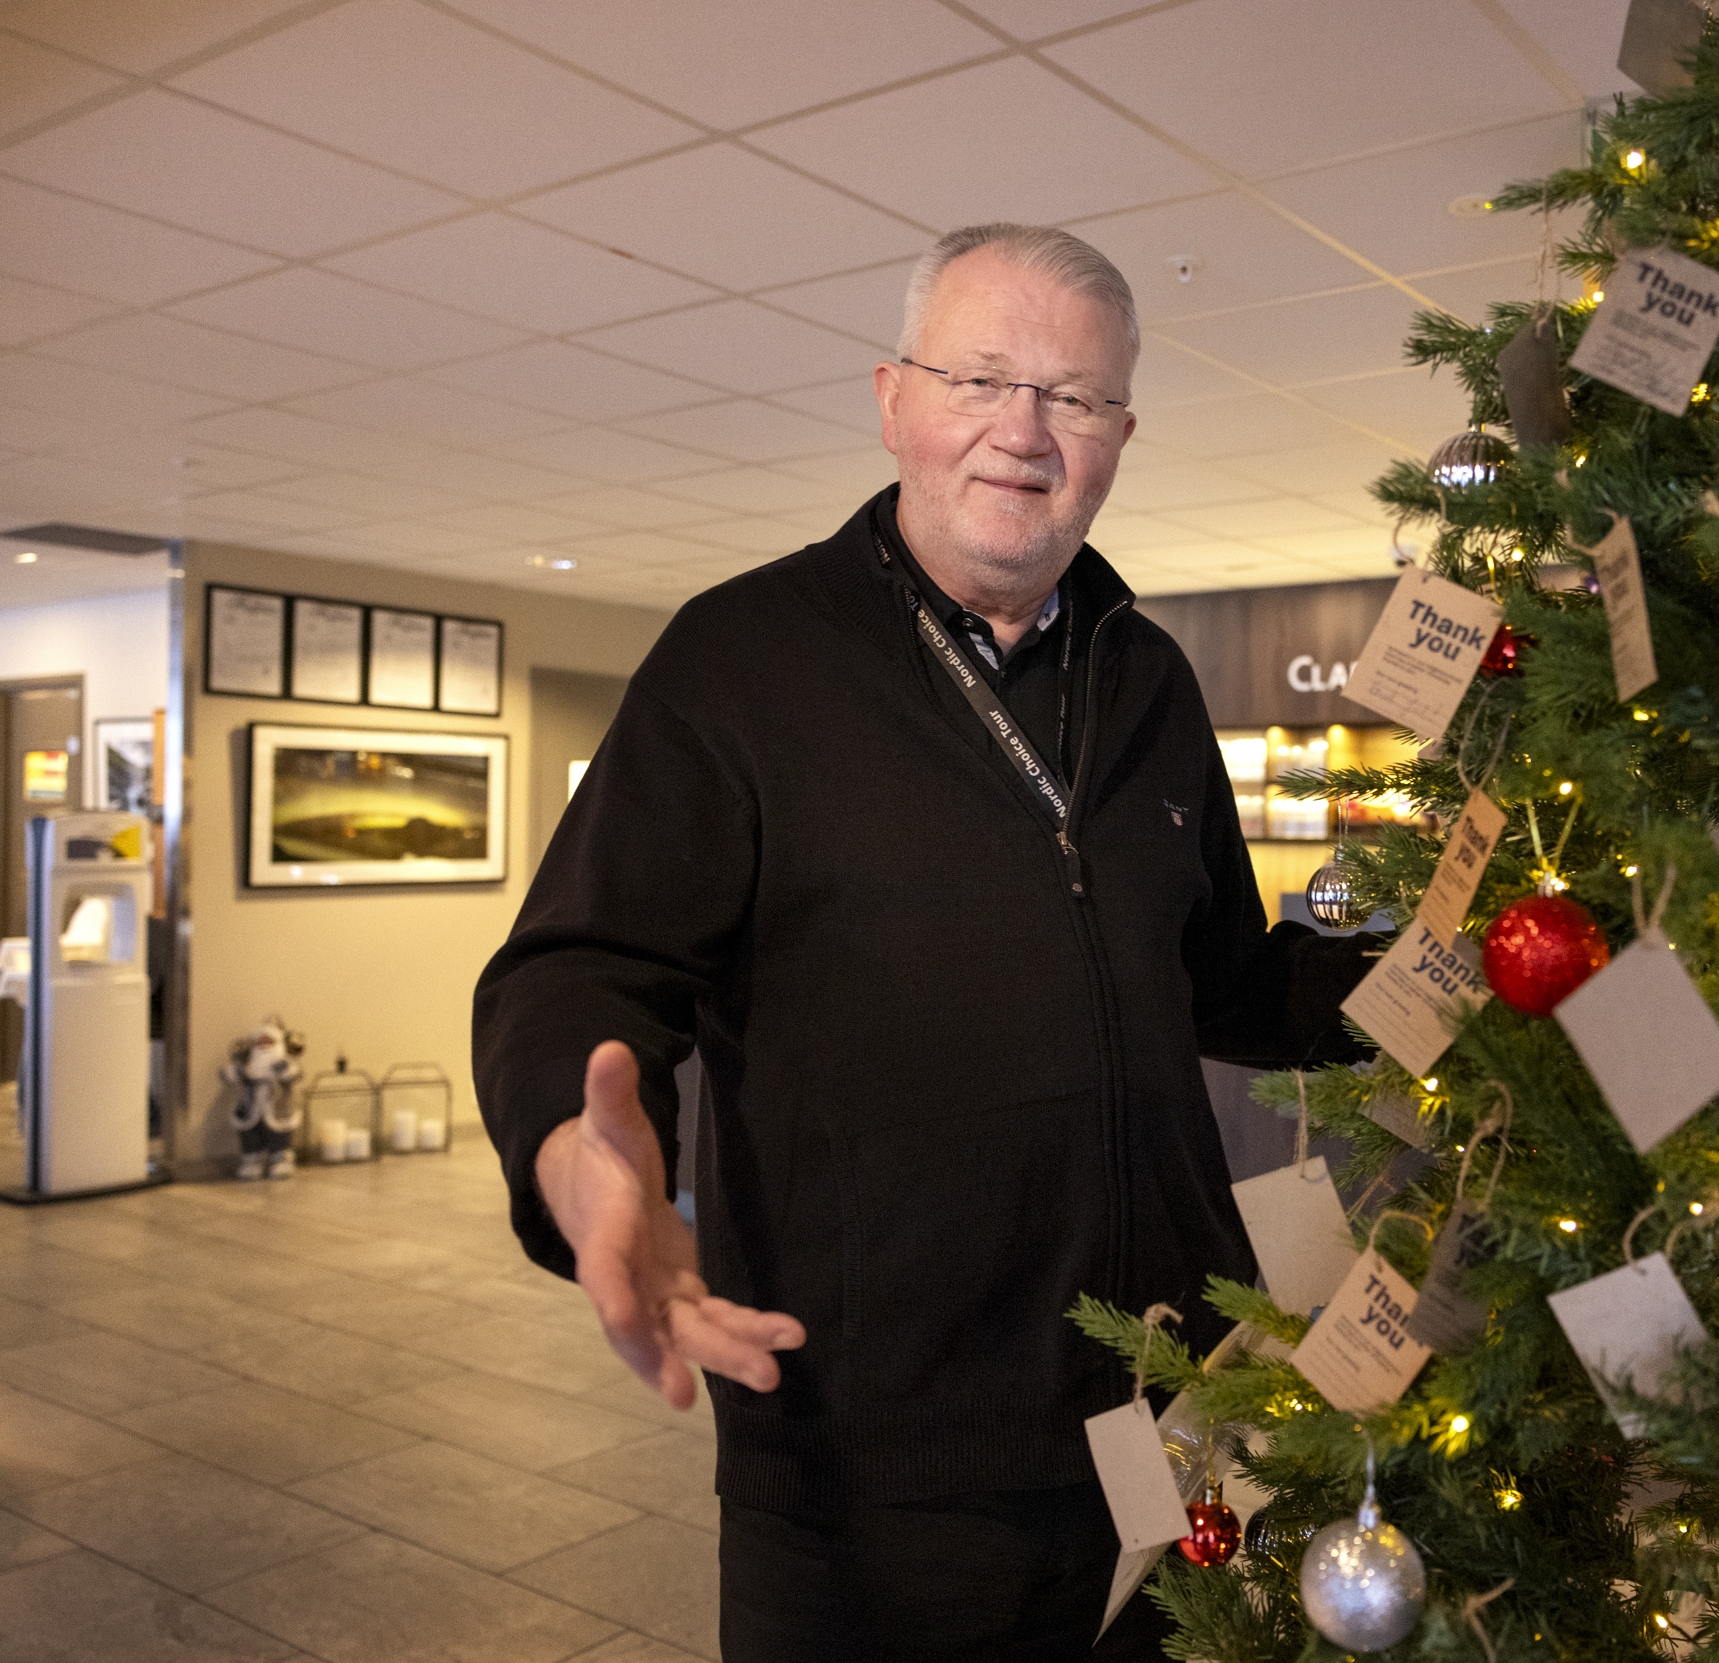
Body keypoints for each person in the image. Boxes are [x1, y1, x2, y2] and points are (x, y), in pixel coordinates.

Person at [473, 223, 1372, 1660]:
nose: (1024, 431)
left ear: (1121, 437)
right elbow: (576, 964)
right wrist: (579, 1162)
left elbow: (1223, 982)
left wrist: (1454, 964)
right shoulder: (743, 658)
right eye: (981, 379)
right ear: (893, 400)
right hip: (871, 1474)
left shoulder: (1146, 674)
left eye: (1074, 398)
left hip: (1174, 1422)